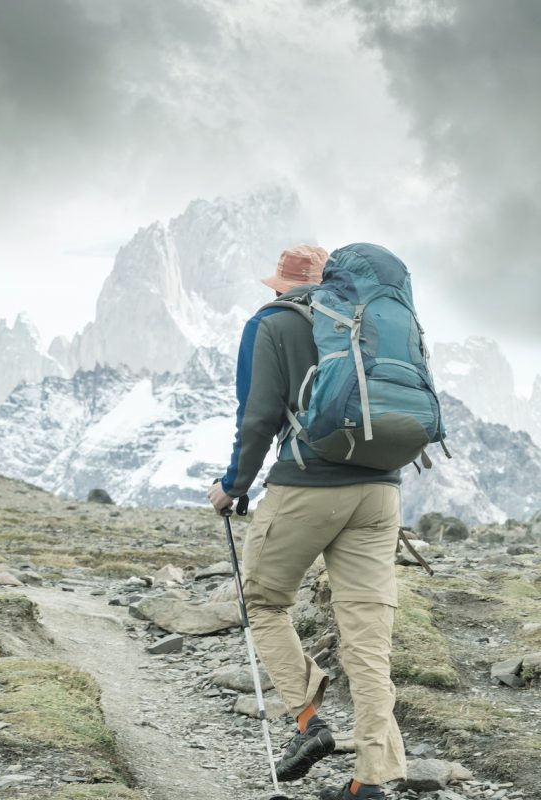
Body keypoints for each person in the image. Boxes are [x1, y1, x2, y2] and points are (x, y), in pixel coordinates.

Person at [207, 243, 407, 800]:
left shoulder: (270, 324)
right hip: (380, 491)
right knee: (369, 640)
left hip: (308, 488)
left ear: (280, 286)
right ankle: (372, 779)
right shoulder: (372, 319)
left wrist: (233, 487)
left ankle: (309, 721)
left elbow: (260, 416)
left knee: (264, 602)